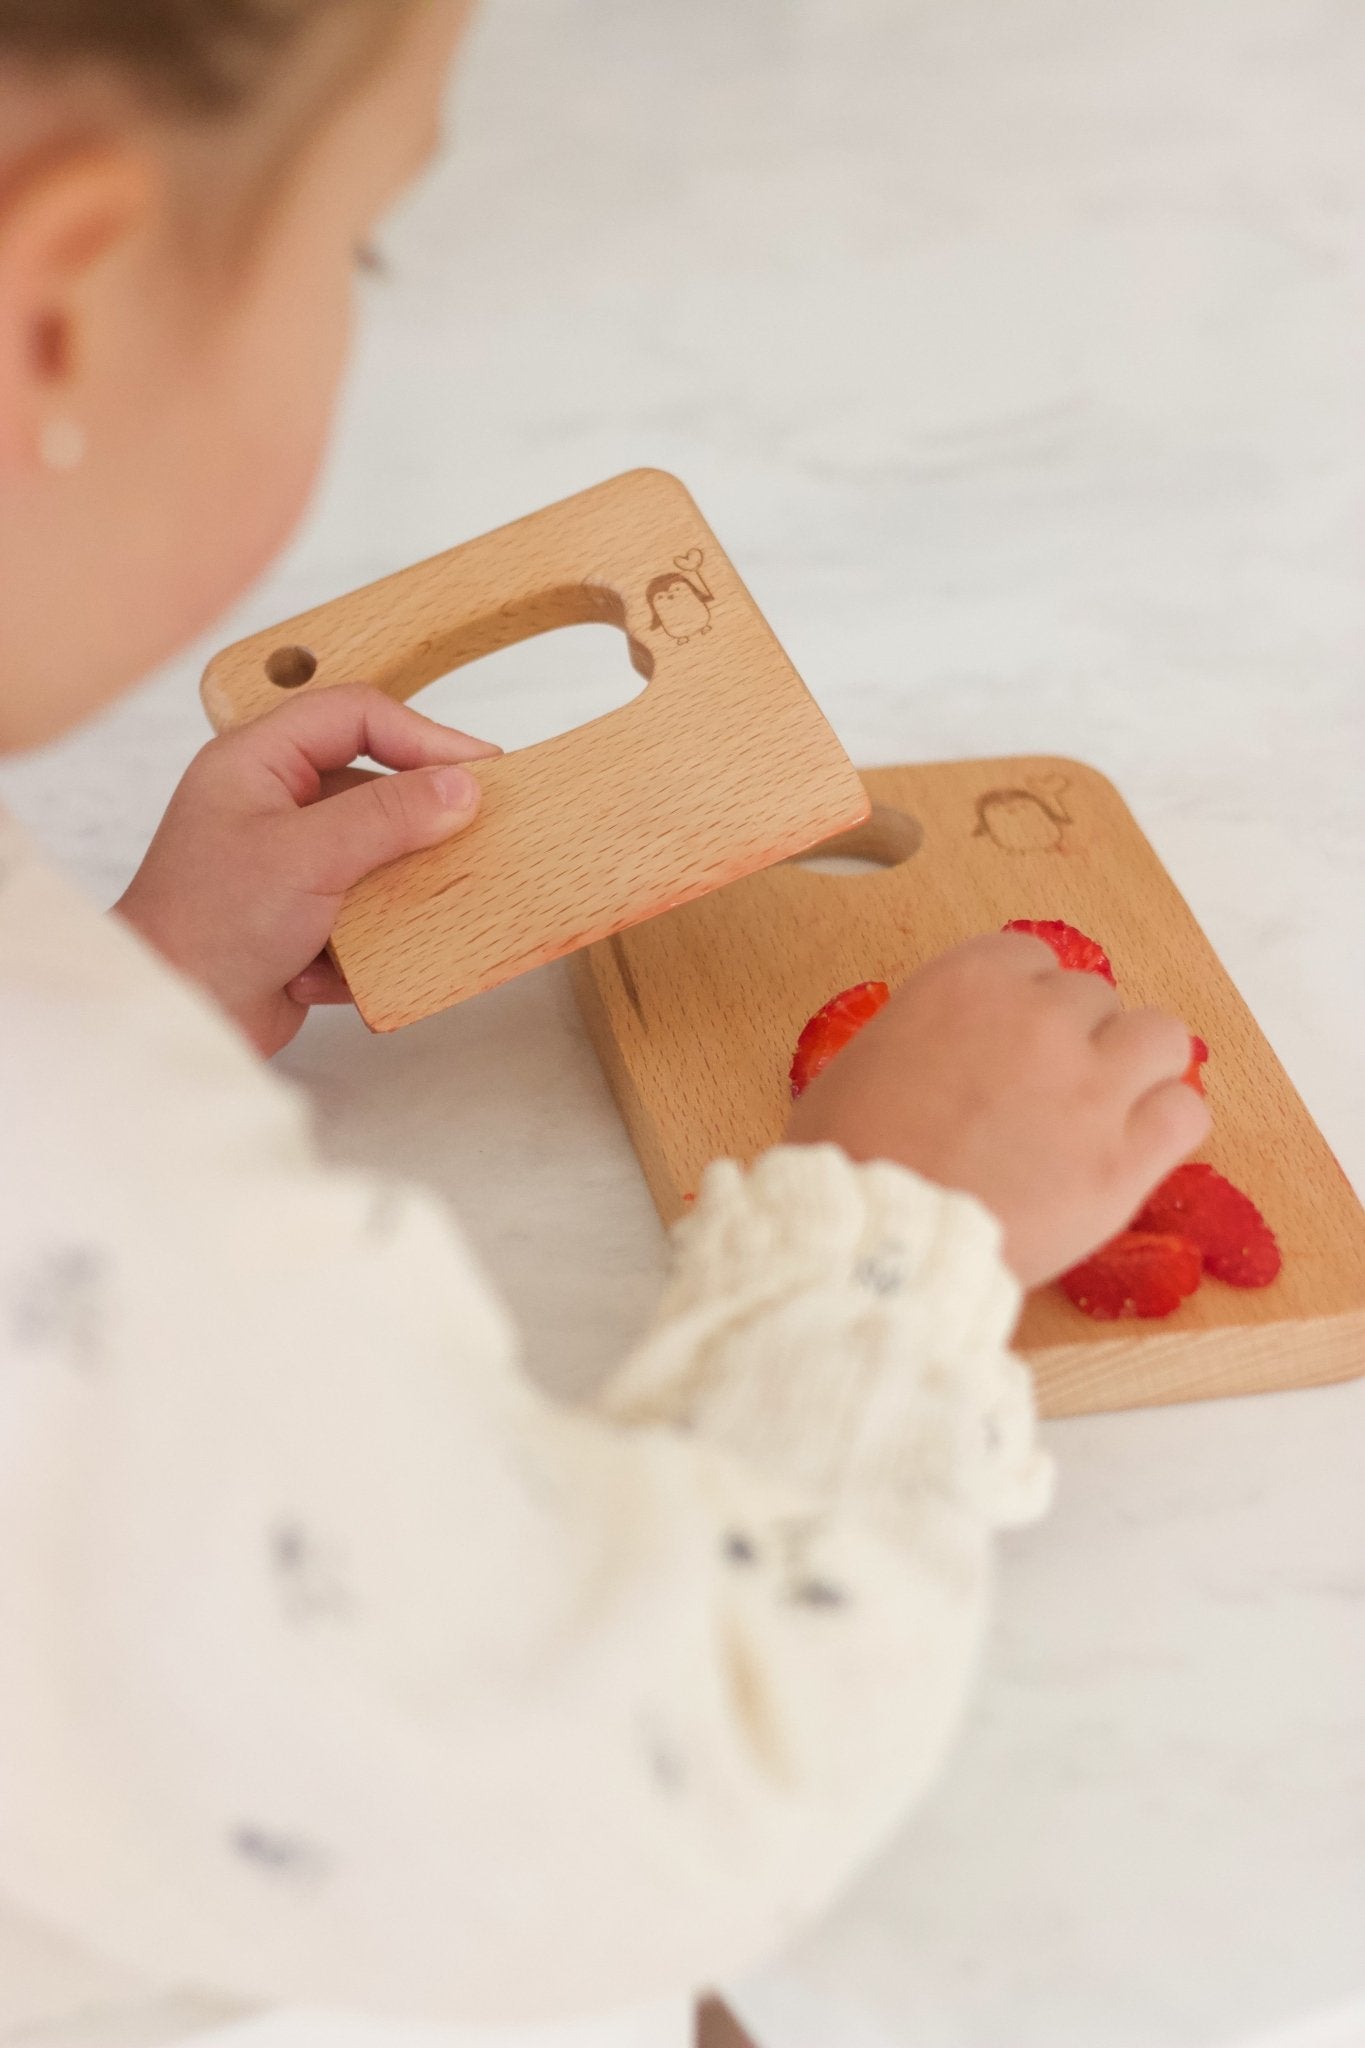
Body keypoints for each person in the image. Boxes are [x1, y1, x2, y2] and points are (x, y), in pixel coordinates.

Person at [0, 0, 1209, 2033]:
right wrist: (894, 1243)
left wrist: (144, 984)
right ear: (62, 299)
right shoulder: (93, 1183)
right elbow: (619, 1801)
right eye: (359, 238)